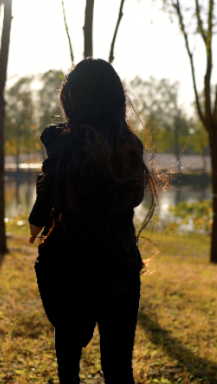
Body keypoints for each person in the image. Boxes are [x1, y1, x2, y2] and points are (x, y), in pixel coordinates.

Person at [28, 58, 157, 383]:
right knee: (118, 369)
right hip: (120, 269)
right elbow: (135, 199)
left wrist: (41, 211)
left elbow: (39, 217)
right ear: (117, 100)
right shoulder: (129, 148)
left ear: (70, 100)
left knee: (68, 364)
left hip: (68, 271)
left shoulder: (63, 148)